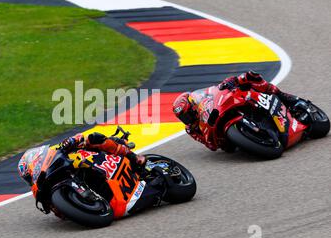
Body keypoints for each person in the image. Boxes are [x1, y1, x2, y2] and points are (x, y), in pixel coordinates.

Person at [172, 70, 300, 150]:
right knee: (229, 149)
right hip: (226, 139)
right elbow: (208, 144)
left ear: (193, 106)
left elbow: (215, 90)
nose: (187, 119)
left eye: (187, 114)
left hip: (227, 108)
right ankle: (256, 139)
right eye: (184, 118)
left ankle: (284, 96)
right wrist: (213, 142)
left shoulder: (202, 99)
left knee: (249, 77)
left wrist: (227, 84)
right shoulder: (191, 129)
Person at [59, 132, 146, 166]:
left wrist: (74, 141)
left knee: (96, 138)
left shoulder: (81, 141)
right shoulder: (64, 154)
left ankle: (134, 157)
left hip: (107, 152)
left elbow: (79, 136)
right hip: (92, 165)